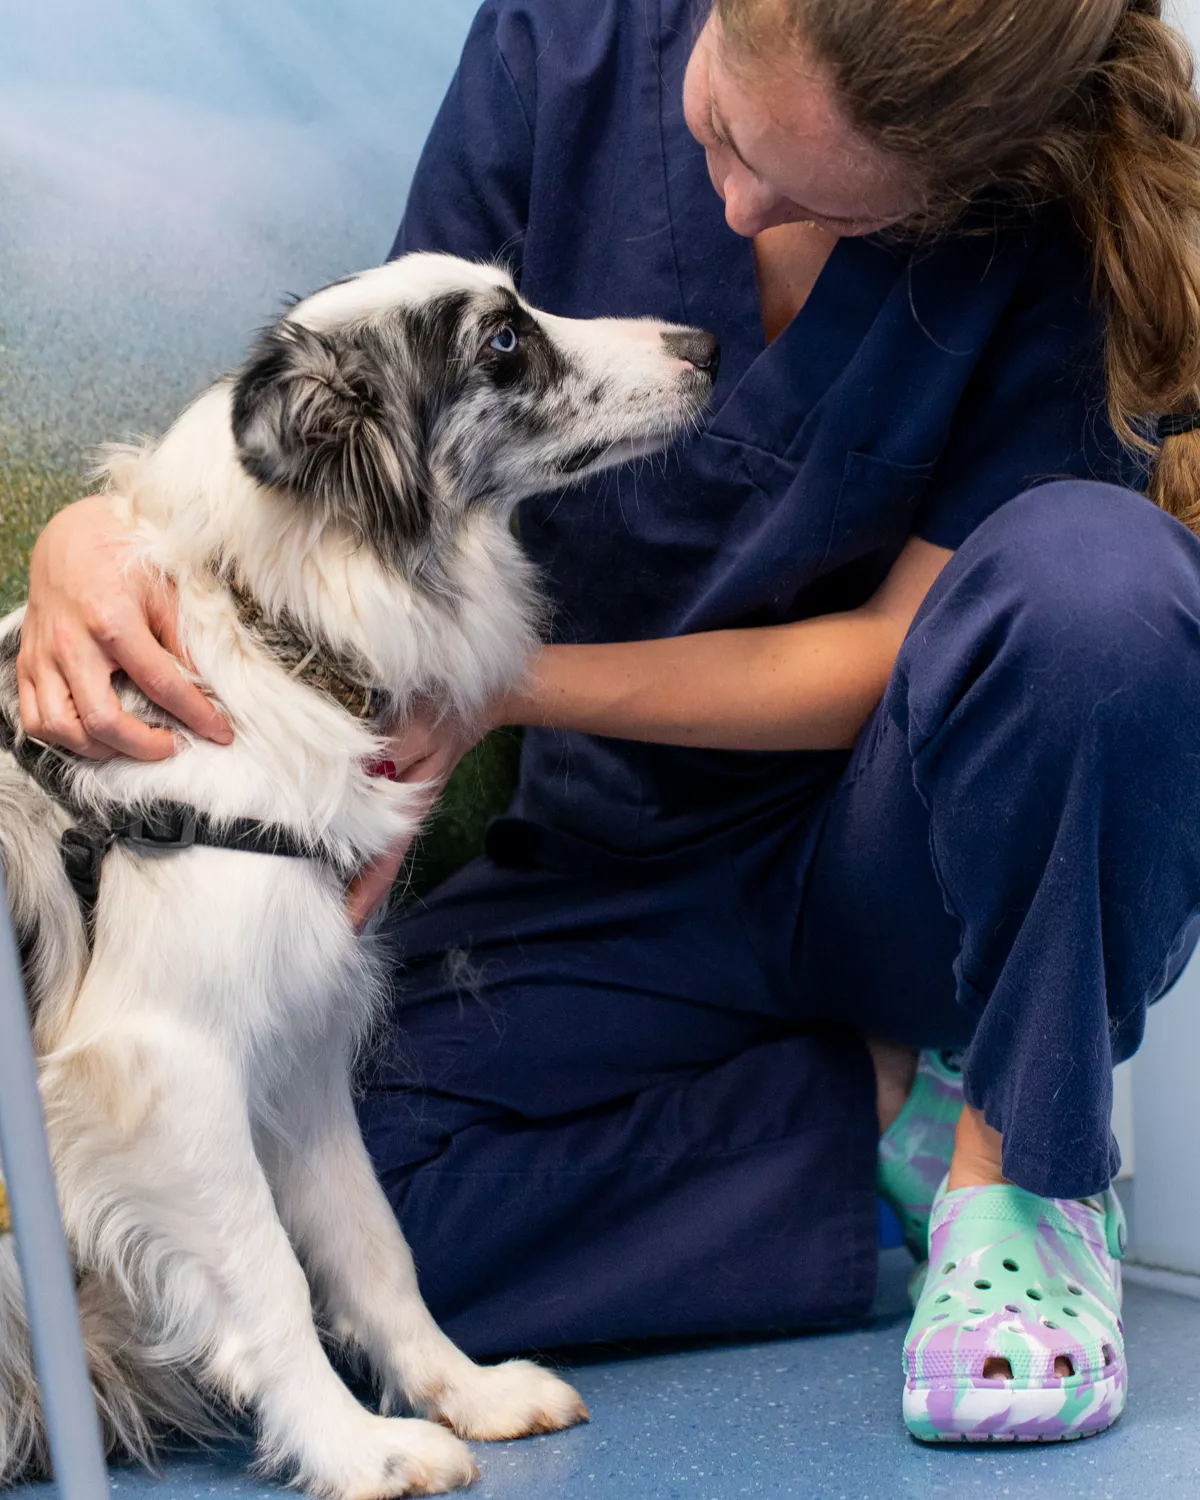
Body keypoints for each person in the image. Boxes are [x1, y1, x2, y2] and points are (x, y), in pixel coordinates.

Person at [19, 0, 1200, 1444]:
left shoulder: (1039, 210)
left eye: (827, 198)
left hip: (909, 863)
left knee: (1106, 590)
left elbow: (896, 652)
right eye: (714, 129)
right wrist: (106, 526)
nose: (740, 203)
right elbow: (363, 379)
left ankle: (1016, 1159)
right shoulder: (557, 45)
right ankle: (862, 1125)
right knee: (302, 1201)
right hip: (621, 868)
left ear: (960, 187)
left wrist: (507, 688)